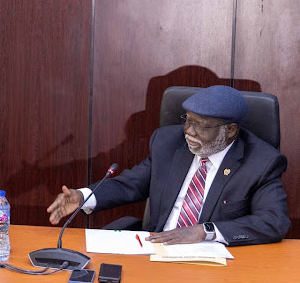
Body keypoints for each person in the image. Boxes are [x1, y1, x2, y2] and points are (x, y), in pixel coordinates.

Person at [47, 85, 290, 246]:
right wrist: (82, 196)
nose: (188, 132)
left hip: (214, 264)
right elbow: (130, 184)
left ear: (230, 130)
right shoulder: (168, 143)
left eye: (200, 126)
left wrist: (204, 231)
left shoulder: (261, 162)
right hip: (155, 252)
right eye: (187, 121)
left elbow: (273, 221)